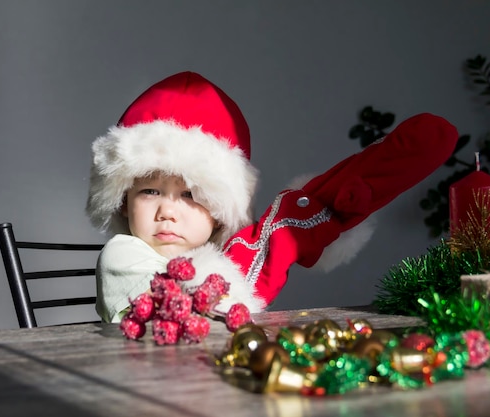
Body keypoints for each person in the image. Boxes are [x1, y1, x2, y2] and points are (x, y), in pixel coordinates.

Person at [86, 71, 458, 323]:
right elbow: (190, 313)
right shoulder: (122, 255)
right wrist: (277, 239)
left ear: (218, 212)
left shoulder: (215, 253)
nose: (167, 210)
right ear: (123, 199)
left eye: (190, 195)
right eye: (150, 191)